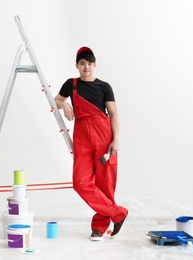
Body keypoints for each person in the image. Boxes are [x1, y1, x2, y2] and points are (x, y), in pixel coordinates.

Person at [54, 46, 128, 241]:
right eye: (82, 63)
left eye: (89, 63)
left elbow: (113, 114)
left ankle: (99, 227)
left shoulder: (105, 87)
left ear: (95, 65)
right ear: (77, 66)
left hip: (104, 138)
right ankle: (117, 213)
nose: (86, 67)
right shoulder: (71, 84)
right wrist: (65, 104)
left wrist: (116, 140)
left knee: (105, 185)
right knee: (80, 183)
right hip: (83, 139)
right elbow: (56, 100)